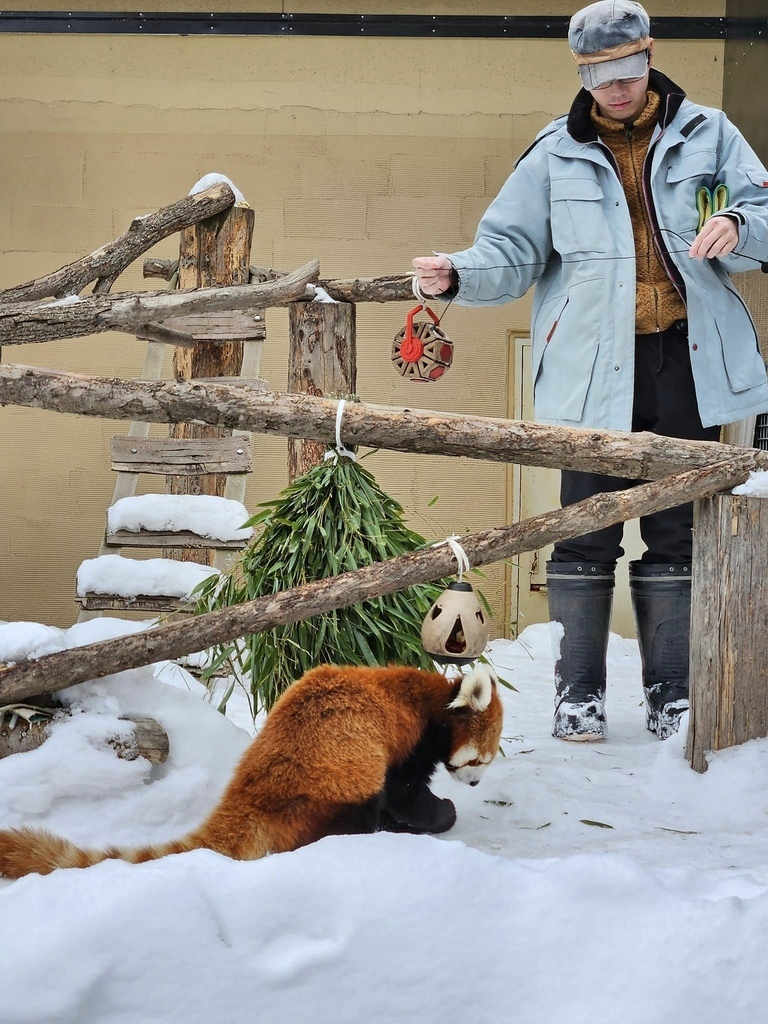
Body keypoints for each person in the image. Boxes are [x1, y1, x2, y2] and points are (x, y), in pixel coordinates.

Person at [412, 0, 768, 742]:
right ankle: (578, 697)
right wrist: (455, 275)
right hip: (592, 368)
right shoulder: (552, 152)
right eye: (600, 75)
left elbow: (765, 211)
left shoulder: (711, 133)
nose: (617, 87)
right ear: (582, 73)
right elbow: (508, 252)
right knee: (583, 533)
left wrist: (739, 224)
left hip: (687, 360)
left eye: (628, 70)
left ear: (648, 57)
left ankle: (672, 695)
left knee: (677, 534)